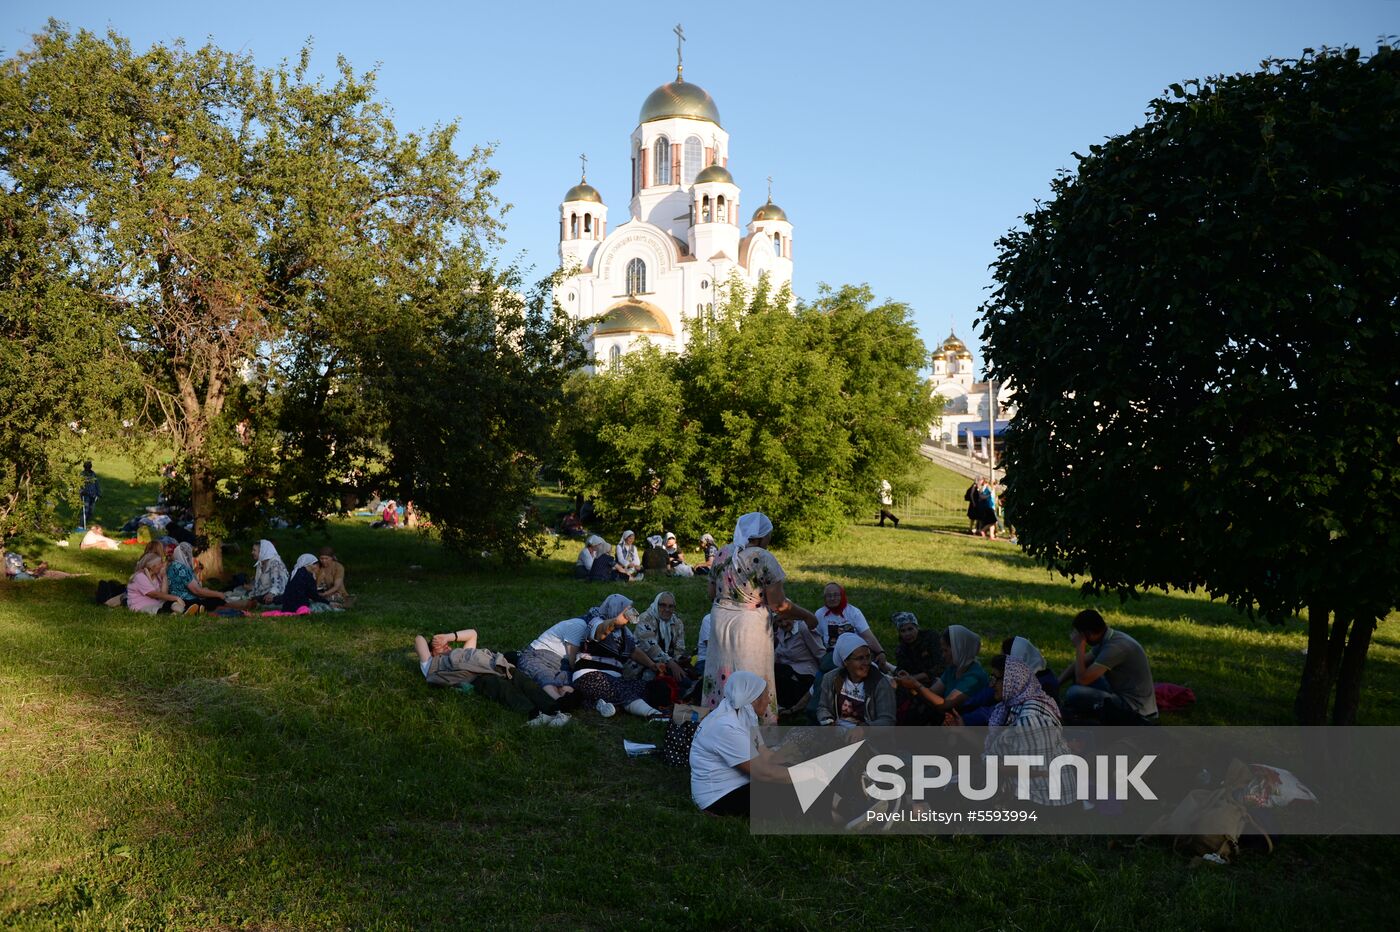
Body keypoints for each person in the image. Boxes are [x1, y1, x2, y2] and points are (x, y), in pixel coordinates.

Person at [702, 513, 816, 725]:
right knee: (749, 672)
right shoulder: (763, 558)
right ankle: (752, 725)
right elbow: (778, 604)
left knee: (723, 670)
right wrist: (808, 616)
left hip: (720, 621)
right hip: (748, 625)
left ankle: (719, 722)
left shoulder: (722, 553)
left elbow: (711, 594)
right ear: (762, 536)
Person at [947, 655, 1077, 806]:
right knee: (966, 772)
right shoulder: (1009, 708)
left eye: (996, 678)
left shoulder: (1030, 718)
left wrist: (989, 764)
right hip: (1028, 790)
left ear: (1012, 680)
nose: (991, 685)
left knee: (971, 781)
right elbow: (995, 751)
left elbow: (1039, 769)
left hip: (1044, 800)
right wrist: (962, 730)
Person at [413, 628, 569, 726]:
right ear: (432, 652)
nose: (445, 645)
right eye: (438, 646)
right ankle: (536, 715)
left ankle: (556, 711)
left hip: (499, 666)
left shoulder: (465, 651)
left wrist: (448, 636)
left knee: (524, 682)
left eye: (446, 644)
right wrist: (434, 642)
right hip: (479, 677)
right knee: (501, 688)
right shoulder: (431, 663)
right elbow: (418, 639)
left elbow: (472, 633)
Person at [689, 670, 792, 816]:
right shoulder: (726, 727)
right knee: (790, 789)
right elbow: (763, 773)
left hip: (740, 783)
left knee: (793, 776)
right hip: (719, 796)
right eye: (766, 696)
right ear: (753, 698)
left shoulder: (745, 713)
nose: (769, 701)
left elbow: (765, 755)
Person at [568, 594, 666, 718]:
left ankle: (599, 704)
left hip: (616, 679)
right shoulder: (596, 621)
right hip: (591, 676)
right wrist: (615, 622)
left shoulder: (625, 632)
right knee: (620, 690)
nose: (628, 613)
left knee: (648, 688)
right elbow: (600, 633)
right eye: (626, 610)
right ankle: (653, 715)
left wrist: (653, 665)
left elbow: (633, 651)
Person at [1059, 609, 1158, 725]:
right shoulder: (1108, 638)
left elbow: (1082, 680)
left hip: (1135, 707)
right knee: (1080, 673)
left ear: (1088, 634)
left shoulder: (1116, 648)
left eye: (1079, 635)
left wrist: (1080, 647)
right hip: (1118, 692)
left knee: (1074, 692)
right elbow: (1082, 663)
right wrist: (1057, 683)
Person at [808, 583, 890, 718]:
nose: (832, 598)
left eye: (836, 595)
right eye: (828, 596)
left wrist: (880, 651)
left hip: (855, 652)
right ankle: (817, 710)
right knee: (824, 673)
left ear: (842, 596)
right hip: (832, 652)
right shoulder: (820, 614)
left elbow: (867, 635)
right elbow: (816, 637)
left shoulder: (853, 612)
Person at [893, 624, 989, 723]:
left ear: (958, 650)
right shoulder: (953, 669)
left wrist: (916, 685)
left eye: (945, 651)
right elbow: (931, 693)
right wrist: (910, 683)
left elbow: (946, 704)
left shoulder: (974, 676)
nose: (943, 656)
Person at [960, 636, 1059, 726]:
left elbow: (991, 713)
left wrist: (963, 719)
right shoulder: (1033, 677)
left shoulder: (1035, 690)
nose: (992, 685)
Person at [817, 632, 897, 728]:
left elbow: (887, 721)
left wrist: (865, 729)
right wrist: (828, 722)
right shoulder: (831, 678)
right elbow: (823, 707)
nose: (866, 662)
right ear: (846, 661)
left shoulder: (881, 683)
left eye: (868, 656)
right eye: (860, 658)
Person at [517, 616, 588, 699]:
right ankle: (557, 700)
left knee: (568, 680)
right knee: (544, 676)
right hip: (540, 654)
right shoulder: (578, 625)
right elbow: (573, 662)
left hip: (563, 665)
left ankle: (565, 698)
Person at [626, 592, 689, 681]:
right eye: (663, 605)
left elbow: (679, 649)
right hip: (644, 665)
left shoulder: (677, 623)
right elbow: (651, 647)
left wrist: (680, 659)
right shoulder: (646, 619)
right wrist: (670, 663)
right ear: (656, 604)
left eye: (671, 606)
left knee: (685, 680)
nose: (667, 609)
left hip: (668, 665)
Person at [891, 612, 941, 724]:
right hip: (913, 684)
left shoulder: (931, 638)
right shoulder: (901, 649)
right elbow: (902, 670)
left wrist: (914, 679)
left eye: (910, 629)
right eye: (903, 631)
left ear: (916, 627)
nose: (907, 634)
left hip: (936, 681)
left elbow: (939, 666)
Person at [774, 613, 826, 713]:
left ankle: (789, 705)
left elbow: (820, 652)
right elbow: (778, 654)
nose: (784, 623)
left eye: (786, 618)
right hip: (789, 673)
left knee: (780, 671)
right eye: (779, 621)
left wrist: (824, 677)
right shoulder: (781, 630)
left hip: (806, 676)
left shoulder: (804, 629)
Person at [166, 542, 233, 614]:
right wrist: (218, 594)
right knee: (216, 600)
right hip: (187, 601)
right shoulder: (181, 568)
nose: (189, 556)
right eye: (188, 554)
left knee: (212, 596)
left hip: (178, 600)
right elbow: (197, 591)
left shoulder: (172, 566)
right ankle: (240, 608)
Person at [245, 539, 289, 605]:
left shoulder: (275, 563)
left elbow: (278, 583)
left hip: (276, 595)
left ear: (262, 551)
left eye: (254, 550)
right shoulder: (261, 562)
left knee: (253, 602)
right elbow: (259, 584)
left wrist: (271, 593)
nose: (252, 552)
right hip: (264, 593)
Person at [79, 461, 101, 529]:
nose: (88, 468)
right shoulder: (82, 474)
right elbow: (79, 485)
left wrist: (98, 493)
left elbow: (96, 484)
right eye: (87, 467)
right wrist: (81, 491)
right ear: (84, 467)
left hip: (93, 495)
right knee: (85, 510)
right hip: (85, 495)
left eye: (89, 466)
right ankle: (81, 526)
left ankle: (84, 522)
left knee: (90, 512)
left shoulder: (93, 474)